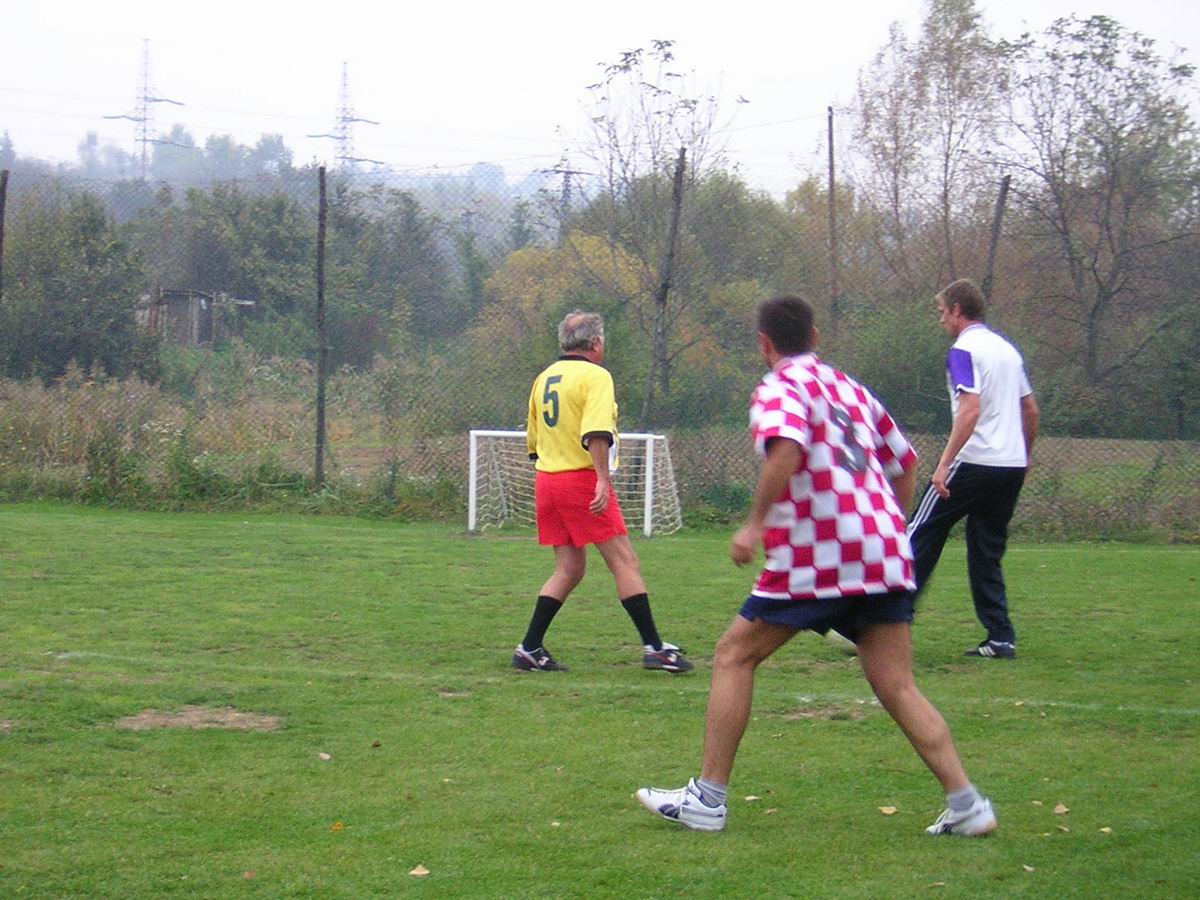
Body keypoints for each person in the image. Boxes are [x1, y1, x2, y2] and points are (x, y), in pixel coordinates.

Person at [635, 295, 995, 836]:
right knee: (896, 683)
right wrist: (886, 525)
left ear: (764, 343)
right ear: (816, 336)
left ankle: (707, 800)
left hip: (821, 551)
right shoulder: (851, 388)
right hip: (883, 550)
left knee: (734, 655)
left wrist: (753, 524)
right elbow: (906, 460)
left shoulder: (780, 386)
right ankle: (968, 804)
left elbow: (787, 448)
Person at [512, 311, 693, 675]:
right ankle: (655, 648)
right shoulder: (596, 376)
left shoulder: (544, 377)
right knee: (624, 561)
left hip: (546, 479)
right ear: (596, 343)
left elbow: (533, 442)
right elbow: (596, 431)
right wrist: (601, 479)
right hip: (578, 479)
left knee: (569, 568)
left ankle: (529, 648)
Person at [908, 279, 1039, 659]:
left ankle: (880, 622)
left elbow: (970, 410)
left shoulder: (962, 350)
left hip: (974, 461)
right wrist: (1023, 456)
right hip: (1009, 466)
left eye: (941, 312)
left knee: (919, 532)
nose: (940, 320)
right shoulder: (1007, 351)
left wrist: (944, 463)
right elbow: (1030, 410)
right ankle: (1000, 638)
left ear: (957, 310)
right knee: (986, 549)